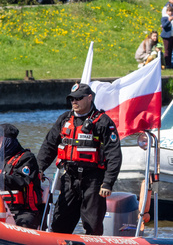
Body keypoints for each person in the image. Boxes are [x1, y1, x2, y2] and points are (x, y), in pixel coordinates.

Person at [36, 83, 122, 236]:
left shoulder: (103, 122)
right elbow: (49, 146)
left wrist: (108, 182)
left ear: (90, 98)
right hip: (69, 177)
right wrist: (40, 168)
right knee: (60, 222)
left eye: (78, 98)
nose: (74, 102)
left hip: (94, 180)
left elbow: (114, 154)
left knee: (93, 224)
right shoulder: (64, 119)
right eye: (72, 99)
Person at [0, 123, 43, 228]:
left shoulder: (27, 158)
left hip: (22, 211)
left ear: (7, 140)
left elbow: (21, 181)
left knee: (24, 223)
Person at [160, 3, 173, 69]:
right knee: (167, 51)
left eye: (171, 11)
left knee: (171, 50)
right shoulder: (165, 18)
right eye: (169, 11)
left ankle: (170, 64)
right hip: (167, 36)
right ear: (166, 12)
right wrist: (169, 20)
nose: (170, 12)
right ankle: (167, 64)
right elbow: (164, 26)